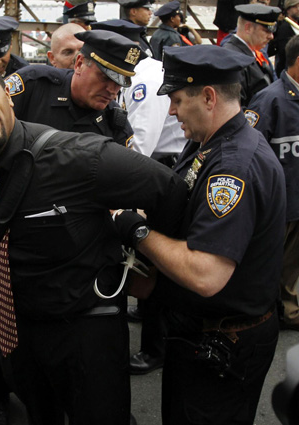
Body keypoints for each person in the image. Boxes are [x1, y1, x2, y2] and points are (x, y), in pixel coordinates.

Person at [0, 54, 188, 425]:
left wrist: (151, 264)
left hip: (87, 334)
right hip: (17, 334)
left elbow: (171, 191)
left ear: (8, 96)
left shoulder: (82, 158)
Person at [113, 44, 285, 425]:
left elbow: (206, 274)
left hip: (223, 340)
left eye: (175, 100)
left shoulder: (233, 168)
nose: (171, 111)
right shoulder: (208, 141)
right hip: (197, 330)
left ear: (208, 97)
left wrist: (136, 230)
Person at [96, 19, 187, 375]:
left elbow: (142, 144)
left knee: (154, 253)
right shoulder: (143, 71)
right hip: (156, 167)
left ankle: (155, 346)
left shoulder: (145, 78)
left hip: (156, 169)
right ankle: (150, 316)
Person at [246, 34, 299, 331]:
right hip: (279, 203)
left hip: (298, 199)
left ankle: (289, 311)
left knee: (291, 265)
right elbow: (251, 151)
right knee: (268, 262)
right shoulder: (270, 99)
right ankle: (263, 313)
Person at [4, 30, 138, 147]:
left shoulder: (115, 123)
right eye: (104, 78)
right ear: (79, 64)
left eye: (119, 82)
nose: (112, 90)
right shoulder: (33, 84)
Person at [223, 4, 281, 106]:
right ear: (248, 28)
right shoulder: (232, 58)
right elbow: (235, 107)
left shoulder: (254, 52)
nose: (271, 36)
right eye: (266, 31)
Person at [268, 0, 298, 77]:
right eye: (295, 7)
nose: (298, 9)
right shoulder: (284, 28)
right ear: (288, 10)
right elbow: (285, 55)